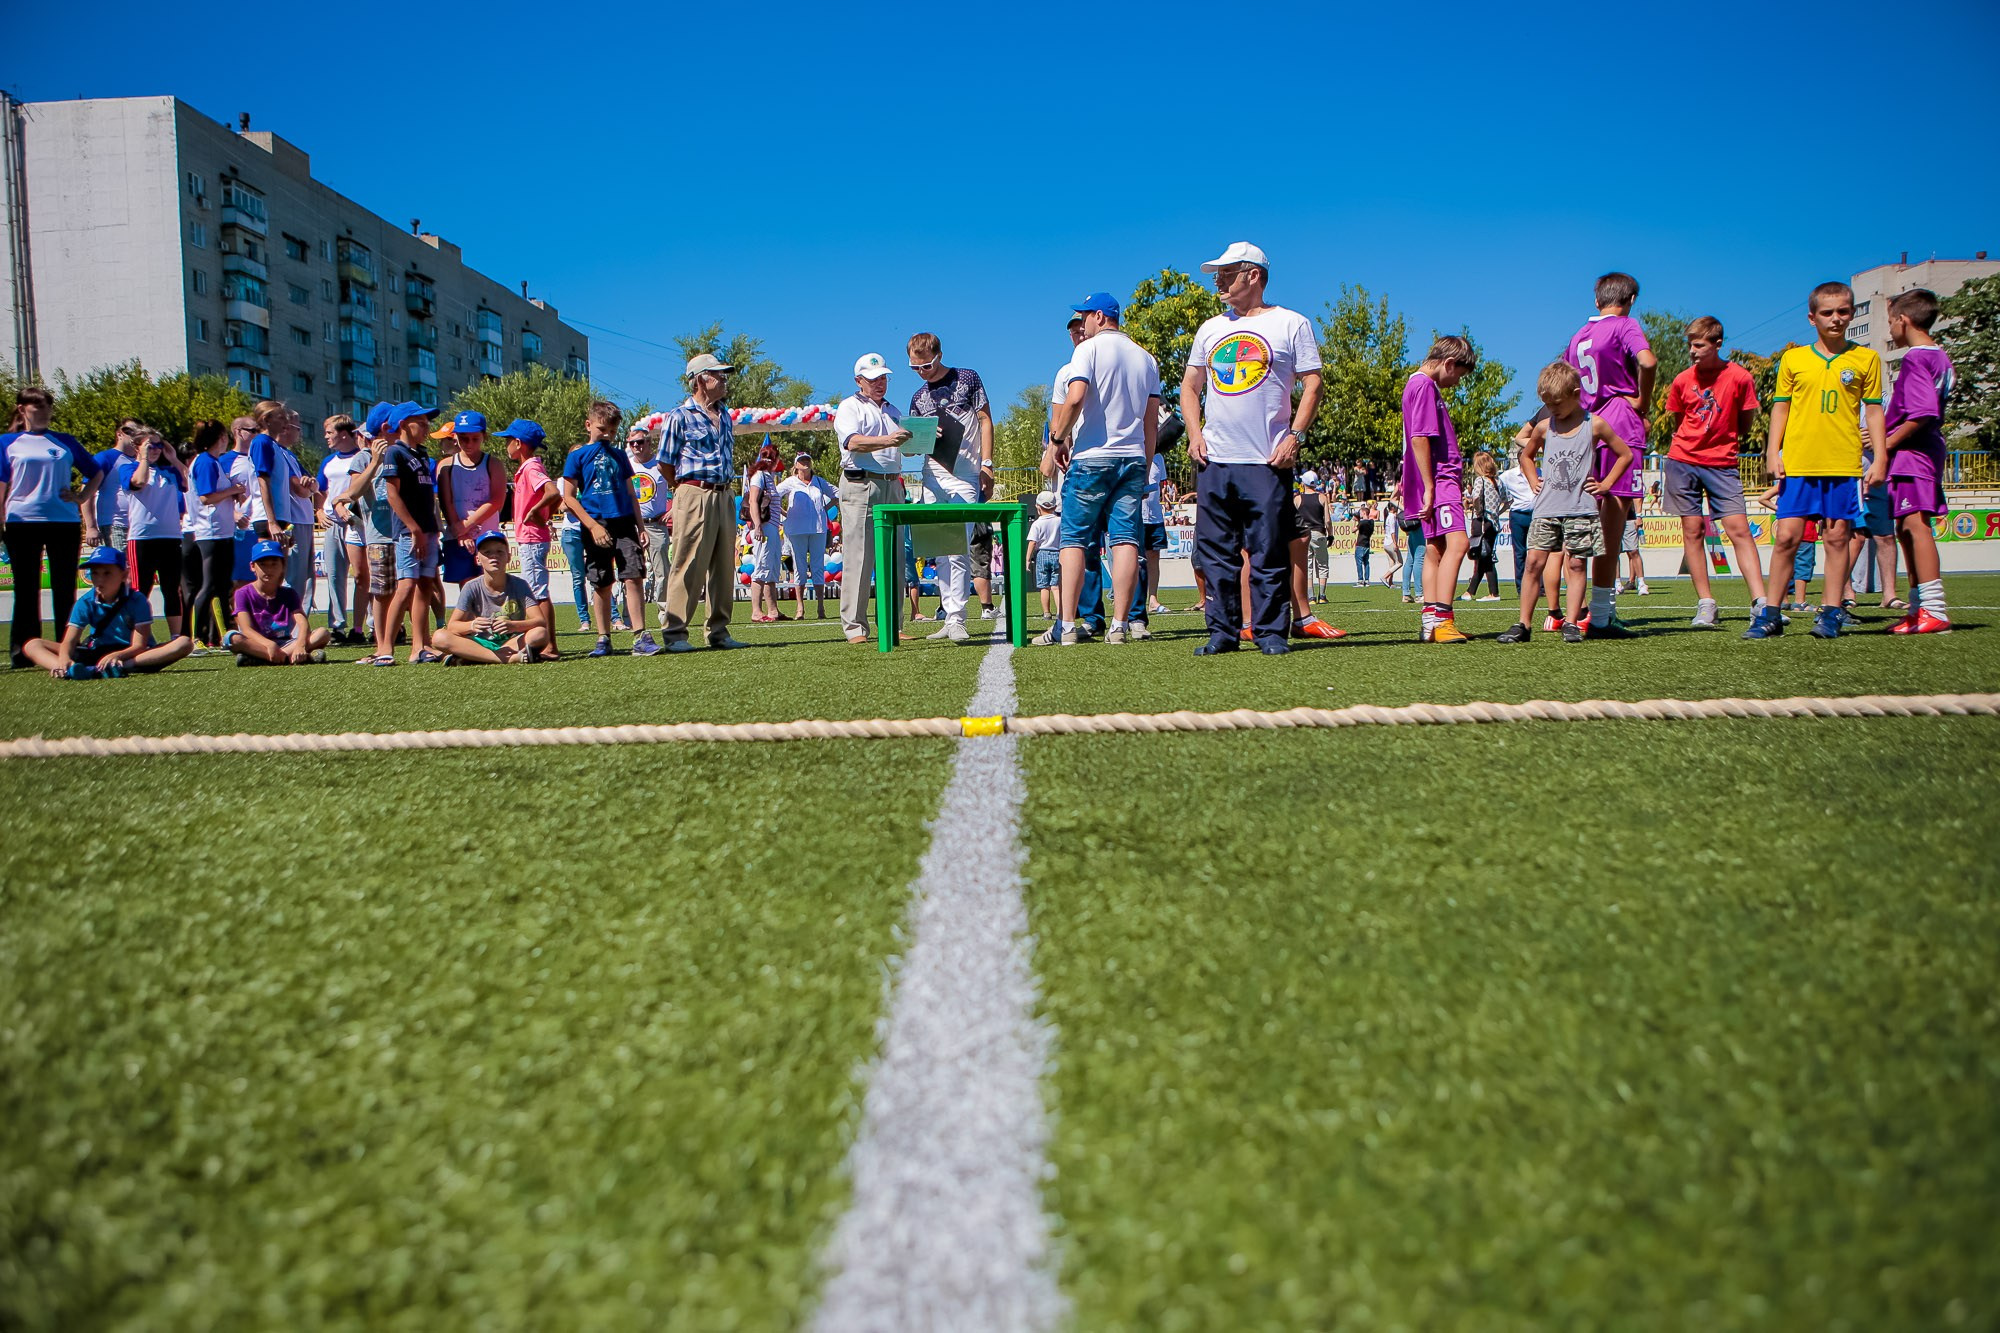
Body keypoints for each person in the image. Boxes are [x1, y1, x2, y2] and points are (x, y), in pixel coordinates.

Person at [1182, 243, 1322, 655]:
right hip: (1214, 460)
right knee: (1216, 554)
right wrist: (1194, 434)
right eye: (1217, 275)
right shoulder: (1210, 328)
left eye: (1227, 273)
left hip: (1267, 460)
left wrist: (1295, 436)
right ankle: (1222, 634)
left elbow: (1313, 384)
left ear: (1254, 275)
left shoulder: (1291, 323)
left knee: (1268, 550)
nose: (1218, 281)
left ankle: (1271, 633)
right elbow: (1190, 386)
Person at [1743, 282, 1885, 641]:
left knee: (1837, 537)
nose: (1836, 318)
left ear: (1851, 314)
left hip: (1843, 465)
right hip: (1800, 463)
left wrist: (1881, 456)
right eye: (1827, 312)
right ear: (1812, 318)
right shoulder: (1794, 360)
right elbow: (1780, 408)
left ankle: (1832, 611)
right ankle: (1770, 614)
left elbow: (1873, 411)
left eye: (1843, 311)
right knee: (1787, 537)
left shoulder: (1866, 359)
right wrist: (1772, 452)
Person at [1050, 291, 1160, 646]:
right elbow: (1151, 423)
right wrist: (1145, 463)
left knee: (1073, 540)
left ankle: (1068, 625)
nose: (1082, 324)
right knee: (1126, 540)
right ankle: (1119, 625)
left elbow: (1076, 397)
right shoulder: (1147, 359)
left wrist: (1057, 438)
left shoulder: (1088, 350)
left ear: (1099, 316)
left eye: (1085, 316)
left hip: (1092, 457)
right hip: (1132, 458)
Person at [1497, 362, 1634, 643]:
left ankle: (1572, 622)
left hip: (1581, 509)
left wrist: (1606, 484)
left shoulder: (1594, 424)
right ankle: (1523, 624)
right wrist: (1533, 479)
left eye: (1557, 403)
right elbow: (1527, 456)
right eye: (1547, 403)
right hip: (1546, 509)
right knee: (1533, 563)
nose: (1552, 409)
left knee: (1576, 565)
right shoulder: (1544, 428)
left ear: (1575, 394)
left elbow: (1625, 455)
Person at [1661, 315, 1769, 628]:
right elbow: (1679, 420)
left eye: (1698, 345)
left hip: (1723, 463)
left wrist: (1723, 441)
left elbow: (1745, 422)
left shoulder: (1740, 377)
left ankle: (1760, 603)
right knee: (1693, 530)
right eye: (1690, 345)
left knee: (1739, 529)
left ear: (1717, 344)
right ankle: (1706, 604)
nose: (1692, 351)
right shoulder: (1682, 380)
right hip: (1683, 461)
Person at [1564, 273, 1658, 632]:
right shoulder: (1625, 325)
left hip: (1587, 429)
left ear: (1596, 300)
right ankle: (1602, 615)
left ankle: (1573, 611)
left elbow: (1565, 382)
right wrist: (1642, 401)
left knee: (1583, 523)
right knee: (1612, 526)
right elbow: (1647, 362)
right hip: (1620, 425)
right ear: (1631, 299)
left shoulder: (1578, 336)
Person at [2, 386, 103, 667]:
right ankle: (24, 651)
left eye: (48, 407)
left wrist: (81, 496)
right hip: (22, 522)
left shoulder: (65, 441)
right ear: (22, 409)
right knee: (26, 589)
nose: (45, 412)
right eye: (38, 407)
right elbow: (1, 484)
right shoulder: (7, 442)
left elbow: (96, 472)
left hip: (63, 522)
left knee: (64, 588)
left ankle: (66, 648)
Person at [906, 333, 996, 641]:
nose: (922, 372)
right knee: (940, 550)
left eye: (927, 365)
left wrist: (987, 464)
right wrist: (919, 436)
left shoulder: (968, 378)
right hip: (932, 475)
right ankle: (948, 615)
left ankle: (958, 618)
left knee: (958, 547)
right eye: (915, 368)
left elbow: (985, 420)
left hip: (966, 474)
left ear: (940, 355)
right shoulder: (918, 397)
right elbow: (911, 450)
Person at [659, 354, 746, 652]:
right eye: (718, 375)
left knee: (724, 566)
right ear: (700, 380)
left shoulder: (726, 416)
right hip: (694, 492)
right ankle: (675, 633)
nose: (724, 380)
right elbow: (665, 463)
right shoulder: (679, 416)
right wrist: (684, 490)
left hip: (725, 494)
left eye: (724, 375)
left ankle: (719, 632)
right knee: (688, 563)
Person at [1882, 288, 1956, 635]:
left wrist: (1886, 441)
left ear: (1903, 320)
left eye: (1890, 321)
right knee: (1905, 528)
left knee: (1915, 526)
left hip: (1915, 453)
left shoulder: (1916, 358)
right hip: (1917, 453)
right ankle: (1918, 610)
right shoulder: (1939, 356)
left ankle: (1934, 609)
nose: (1890, 329)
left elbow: (1923, 412)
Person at [1400, 335, 1479, 642]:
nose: (1457, 382)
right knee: (1458, 544)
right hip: (1440, 479)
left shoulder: (1416, 385)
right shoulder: (1424, 386)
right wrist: (1431, 486)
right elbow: (1420, 437)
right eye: (1459, 374)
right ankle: (1444, 621)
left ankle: (1431, 623)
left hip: (1431, 480)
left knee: (1435, 548)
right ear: (1448, 363)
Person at [562, 400, 656, 657]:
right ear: (588, 425)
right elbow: (569, 497)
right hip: (596, 524)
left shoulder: (620, 456)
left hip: (624, 522)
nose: (607, 435)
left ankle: (640, 635)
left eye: (612, 432)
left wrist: (640, 527)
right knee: (601, 582)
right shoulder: (577, 456)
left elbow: (631, 494)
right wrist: (592, 526)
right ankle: (603, 638)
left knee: (633, 576)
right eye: (602, 429)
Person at [834, 353, 911, 644]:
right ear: (858, 381)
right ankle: (855, 628)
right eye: (873, 379)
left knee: (894, 557)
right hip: (861, 484)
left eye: (883, 378)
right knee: (859, 557)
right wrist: (889, 440)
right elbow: (853, 442)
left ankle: (893, 624)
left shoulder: (894, 410)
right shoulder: (849, 406)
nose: (880, 383)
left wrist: (922, 438)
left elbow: (905, 447)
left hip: (892, 484)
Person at [21, 544, 190, 678]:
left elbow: (139, 645)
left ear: (123, 575)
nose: (99, 579)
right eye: (95, 573)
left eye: (107, 573)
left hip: (132, 654)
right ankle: (68, 669)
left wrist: (118, 656)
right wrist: (64, 659)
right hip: (97, 652)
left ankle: (118, 667)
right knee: (32, 644)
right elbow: (69, 641)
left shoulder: (137, 600)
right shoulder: (86, 601)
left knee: (184, 643)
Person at [369, 400, 446, 665]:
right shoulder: (395, 453)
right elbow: (392, 494)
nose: (426, 428)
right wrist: (413, 528)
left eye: (427, 423)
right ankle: (385, 648)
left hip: (428, 530)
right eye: (420, 423)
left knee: (425, 585)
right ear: (403, 425)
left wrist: (431, 528)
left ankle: (418, 647)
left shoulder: (422, 454)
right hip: (408, 532)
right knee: (405, 586)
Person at [433, 529, 552, 665]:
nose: (494, 556)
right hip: (480, 641)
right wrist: (472, 625)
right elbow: (453, 626)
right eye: (487, 553)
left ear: (508, 557)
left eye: (499, 552)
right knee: (439, 637)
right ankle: (505, 658)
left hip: (511, 642)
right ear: (478, 559)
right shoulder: (471, 586)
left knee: (540, 634)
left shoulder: (520, 585)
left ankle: (474, 657)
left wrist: (513, 626)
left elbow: (540, 621)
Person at [115, 432, 191, 639]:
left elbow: (190, 482)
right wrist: (144, 458)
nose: (156, 450)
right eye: (150, 445)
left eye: (159, 446)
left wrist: (174, 458)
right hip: (142, 538)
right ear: (138, 447)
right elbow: (138, 482)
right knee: (141, 590)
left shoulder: (169, 471)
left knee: (172, 589)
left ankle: (176, 637)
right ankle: (138, 637)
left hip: (170, 537)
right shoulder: (128, 468)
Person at [495, 418, 559, 655]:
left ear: (518, 443)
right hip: (532, 536)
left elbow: (553, 492)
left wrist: (535, 512)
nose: (506, 445)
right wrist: (545, 514)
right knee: (538, 591)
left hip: (532, 538)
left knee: (537, 593)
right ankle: (547, 644)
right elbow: (556, 497)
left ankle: (549, 645)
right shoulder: (530, 467)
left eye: (508, 441)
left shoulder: (531, 467)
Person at [246, 401, 317, 608]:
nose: (286, 421)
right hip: (268, 518)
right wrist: (272, 522)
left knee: (279, 575)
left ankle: (279, 620)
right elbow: (263, 482)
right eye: (280, 417)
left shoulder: (276, 447)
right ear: (266, 419)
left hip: (281, 518)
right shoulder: (262, 443)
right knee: (268, 574)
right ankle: (262, 617)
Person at [226, 538, 331, 665]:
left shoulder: (288, 593)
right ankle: (291, 657)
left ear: (282, 566)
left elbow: (302, 623)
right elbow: (246, 629)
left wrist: (300, 645)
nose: (269, 569)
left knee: (323, 633)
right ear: (253, 566)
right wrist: (269, 644)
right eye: (263, 564)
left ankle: (264, 658)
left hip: (285, 642)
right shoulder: (243, 593)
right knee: (233, 638)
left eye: (274, 564)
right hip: (258, 643)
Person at [184, 420, 242, 652]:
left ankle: (223, 635)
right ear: (221, 438)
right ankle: (196, 636)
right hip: (210, 531)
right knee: (208, 585)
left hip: (221, 530)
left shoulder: (211, 461)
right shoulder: (206, 461)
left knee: (221, 586)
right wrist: (233, 490)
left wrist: (230, 493)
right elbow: (206, 497)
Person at [437, 411, 507, 594]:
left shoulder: (493, 464)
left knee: (492, 587)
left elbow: (497, 500)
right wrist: (461, 533)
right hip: (458, 537)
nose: (469, 444)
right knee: (468, 589)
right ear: (455, 437)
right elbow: (446, 502)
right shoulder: (446, 466)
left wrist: (466, 525)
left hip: (487, 536)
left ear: (483, 436)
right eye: (463, 438)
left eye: (475, 439)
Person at [316, 416, 370, 645]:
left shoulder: (363, 457)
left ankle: (370, 625)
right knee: (335, 576)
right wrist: (319, 511)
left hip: (358, 522)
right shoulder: (328, 461)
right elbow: (321, 490)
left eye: (330, 432)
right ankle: (337, 626)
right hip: (333, 523)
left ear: (344, 434)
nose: (326, 437)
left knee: (364, 576)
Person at [777, 452, 837, 620]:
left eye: (807, 460)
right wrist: (785, 513)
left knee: (818, 567)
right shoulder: (790, 482)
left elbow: (837, 494)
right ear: (796, 465)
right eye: (801, 461)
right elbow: (773, 495)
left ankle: (820, 607)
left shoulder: (819, 481)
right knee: (799, 568)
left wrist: (824, 509)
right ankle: (800, 608)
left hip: (818, 529)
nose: (805, 463)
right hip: (796, 530)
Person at [627, 425, 671, 626]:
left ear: (649, 442)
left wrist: (672, 510)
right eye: (632, 443)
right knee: (631, 572)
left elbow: (681, 486)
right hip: (631, 526)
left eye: (640, 442)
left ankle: (665, 614)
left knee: (663, 572)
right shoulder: (627, 466)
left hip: (655, 525)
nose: (636, 446)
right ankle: (629, 617)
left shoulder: (660, 465)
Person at [743, 440, 786, 623]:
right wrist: (758, 525)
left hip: (773, 527)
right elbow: (753, 500)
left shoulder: (769, 477)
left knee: (772, 569)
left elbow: (772, 502)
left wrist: (785, 513)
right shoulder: (759, 476)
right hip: (764, 527)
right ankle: (756, 611)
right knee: (761, 567)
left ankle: (773, 610)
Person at [92, 418, 143, 551]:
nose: (135, 435)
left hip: (139, 525)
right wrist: (91, 526)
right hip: (115, 524)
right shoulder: (105, 457)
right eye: (130, 431)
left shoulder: (142, 461)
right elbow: (87, 492)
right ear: (119, 434)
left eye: (139, 432)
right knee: (120, 562)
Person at [1460, 450, 1505, 601]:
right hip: (1494, 523)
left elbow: (1476, 497)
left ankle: (1493, 593)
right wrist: (1497, 512)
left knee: (1484, 557)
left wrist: (1478, 511)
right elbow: (1508, 500)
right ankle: (1470, 592)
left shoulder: (1480, 480)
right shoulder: (1498, 482)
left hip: (1482, 522)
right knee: (1484, 556)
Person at [1496, 453, 1536, 591]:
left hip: (1536, 515)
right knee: (1520, 552)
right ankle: (1521, 587)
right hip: (1518, 515)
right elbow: (1496, 484)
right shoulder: (1509, 475)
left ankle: (1541, 587)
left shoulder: (1540, 472)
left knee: (1538, 552)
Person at [1027, 489, 1060, 619]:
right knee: (1056, 586)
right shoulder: (1059, 521)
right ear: (1055, 507)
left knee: (1044, 586)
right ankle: (1060, 611)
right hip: (1057, 553)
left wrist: (1027, 559)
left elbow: (1032, 542)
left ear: (1037, 506)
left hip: (1042, 553)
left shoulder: (1037, 523)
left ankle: (1046, 612)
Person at [1353, 498, 1376, 588]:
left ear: (1364, 513)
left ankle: (1360, 580)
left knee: (1359, 562)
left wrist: (1355, 521)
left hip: (1360, 544)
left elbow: (1353, 530)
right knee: (1366, 563)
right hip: (1367, 544)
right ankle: (1367, 580)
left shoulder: (1362, 523)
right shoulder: (1371, 522)